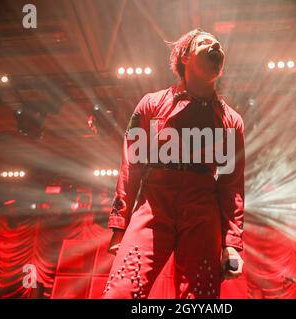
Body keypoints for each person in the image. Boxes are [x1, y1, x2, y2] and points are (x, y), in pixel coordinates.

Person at [104, 29, 245, 299]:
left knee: (201, 298)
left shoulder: (232, 121)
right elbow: (131, 166)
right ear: (184, 56)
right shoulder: (151, 105)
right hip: (154, 204)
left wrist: (232, 243)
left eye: (218, 44)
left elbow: (232, 185)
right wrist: (119, 226)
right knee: (120, 292)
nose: (216, 44)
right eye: (205, 42)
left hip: (203, 208)